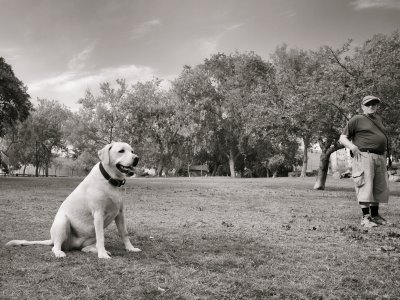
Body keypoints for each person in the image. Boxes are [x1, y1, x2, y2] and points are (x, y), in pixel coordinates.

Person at [339, 95, 390, 228]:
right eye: (368, 104)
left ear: (377, 106)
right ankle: (365, 218)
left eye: (374, 104)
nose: (372, 106)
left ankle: (375, 216)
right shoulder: (357, 119)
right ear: (362, 106)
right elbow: (343, 137)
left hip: (379, 156)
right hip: (364, 156)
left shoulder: (378, 119)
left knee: (377, 187)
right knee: (365, 186)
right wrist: (353, 147)